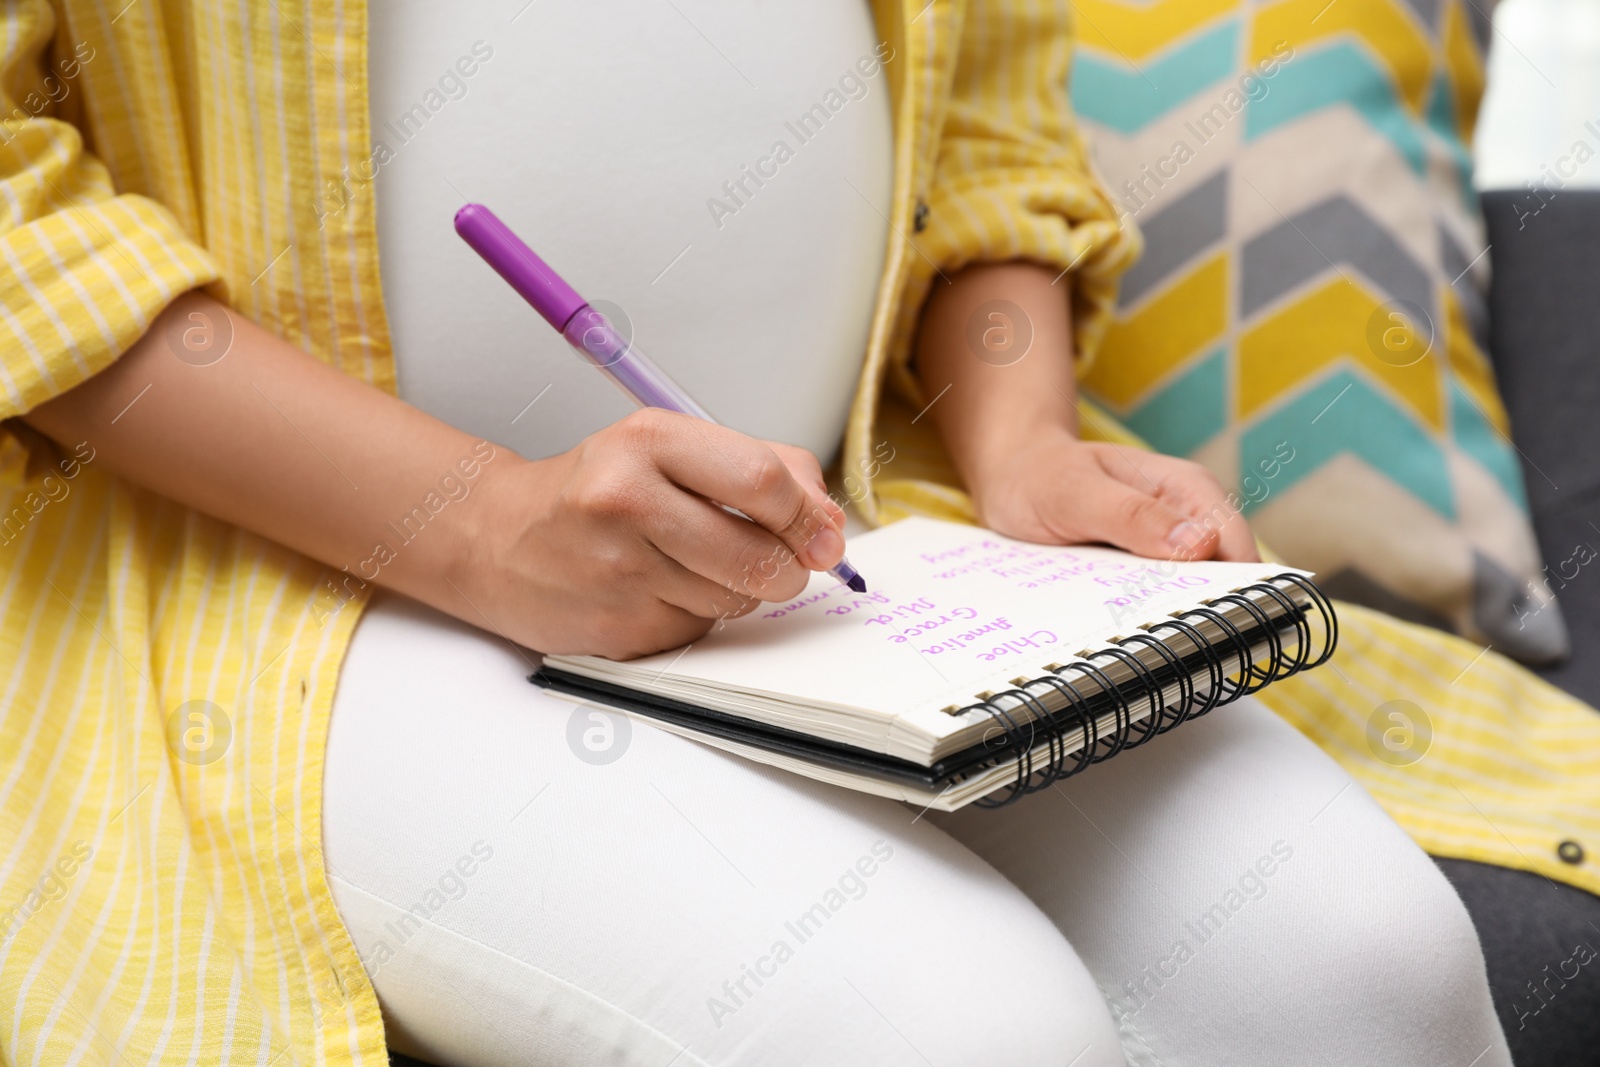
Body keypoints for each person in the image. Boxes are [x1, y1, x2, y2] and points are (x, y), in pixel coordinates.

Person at [0, 1, 1526, 1064]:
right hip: (295, 587)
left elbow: (989, 121)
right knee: (950, 1035)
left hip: (843, 544)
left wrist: (1027, 441)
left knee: (1365, 965)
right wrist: (477, 525)